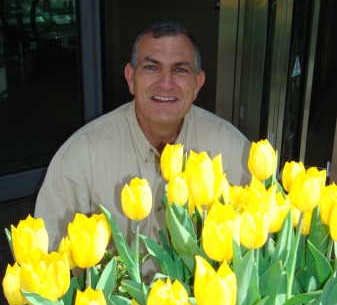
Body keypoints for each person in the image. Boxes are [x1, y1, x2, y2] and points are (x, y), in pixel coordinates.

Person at [35, 21, 251, 278]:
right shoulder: (81, 155)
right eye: (151, 67)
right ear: (131, 78)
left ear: (198, 83)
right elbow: (46, 263)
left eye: (180, 70)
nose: (166, 83)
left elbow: (260, 243)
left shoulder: (230, 148)